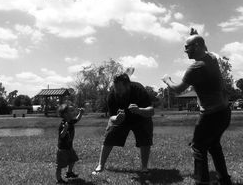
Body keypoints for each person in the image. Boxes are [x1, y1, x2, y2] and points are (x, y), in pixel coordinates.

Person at [162, 30, 233, 185]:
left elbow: (179, 89)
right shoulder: (212, 58)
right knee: (214, 145)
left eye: (187, 47)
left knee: (198, 147)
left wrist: (167, 80)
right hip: (224, 112)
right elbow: (205, 47)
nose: (185, 50)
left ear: (197, 46)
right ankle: (224, 180)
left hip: (211, 115)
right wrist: (197, 36)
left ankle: (202, 181)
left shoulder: (196, 68)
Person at [93, 73, 154, 174]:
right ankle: (100, 165)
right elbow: (111, 117)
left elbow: (151, 111)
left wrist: (139, 110)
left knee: (145, 136)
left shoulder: (139, 89)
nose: (118, 92)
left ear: (128, 85)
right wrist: (117, 118)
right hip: (121, 118)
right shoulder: (112, 95)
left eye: (120, 89)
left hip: (140, 117)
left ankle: (144, 168)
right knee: (109, 135)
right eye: (115, 88)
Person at [56, 104, 84, 184]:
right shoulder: (63, 123)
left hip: (69, 147)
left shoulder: (71, 121)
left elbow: (77, 119)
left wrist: (81, 113)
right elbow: (61, 135)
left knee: (73, 159)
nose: (73, 112)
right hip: (63, 149)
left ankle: (69, 173)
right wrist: (65, 129)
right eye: (71, 111)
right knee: (59, 166)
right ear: (65, 114)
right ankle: (59, 180)